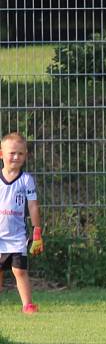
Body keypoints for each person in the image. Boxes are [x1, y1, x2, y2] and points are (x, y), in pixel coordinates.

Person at [0, 132, 43, 314]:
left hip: (17, 236)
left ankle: (28, 305)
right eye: (12, 153)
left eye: (20, 153)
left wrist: (37, 231)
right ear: (2, 154)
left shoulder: (26, 180)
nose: (16, 157)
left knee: (20, 271)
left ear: (25, 155)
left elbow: (33, 205)